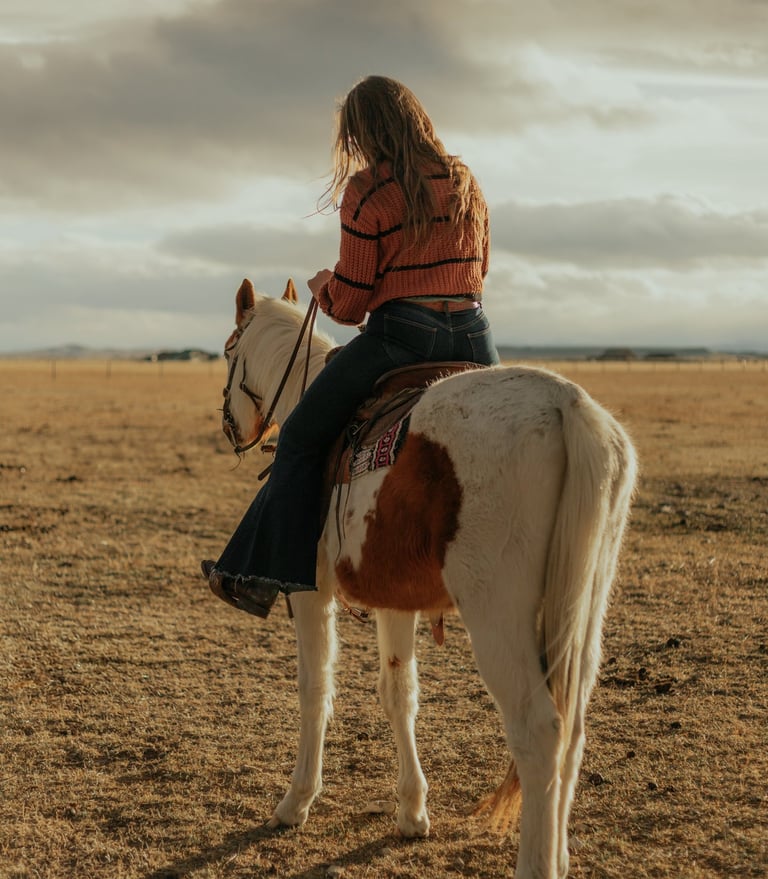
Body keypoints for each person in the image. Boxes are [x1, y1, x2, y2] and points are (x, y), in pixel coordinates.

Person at [203, 75, 500, 618]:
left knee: (298, 436)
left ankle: (265, 577)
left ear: (362, 133)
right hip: (474, 336)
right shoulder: (465, 180)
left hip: (402, 338)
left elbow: (351, 306)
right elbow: (480, 269)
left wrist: (323, 287)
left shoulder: (368, 192)